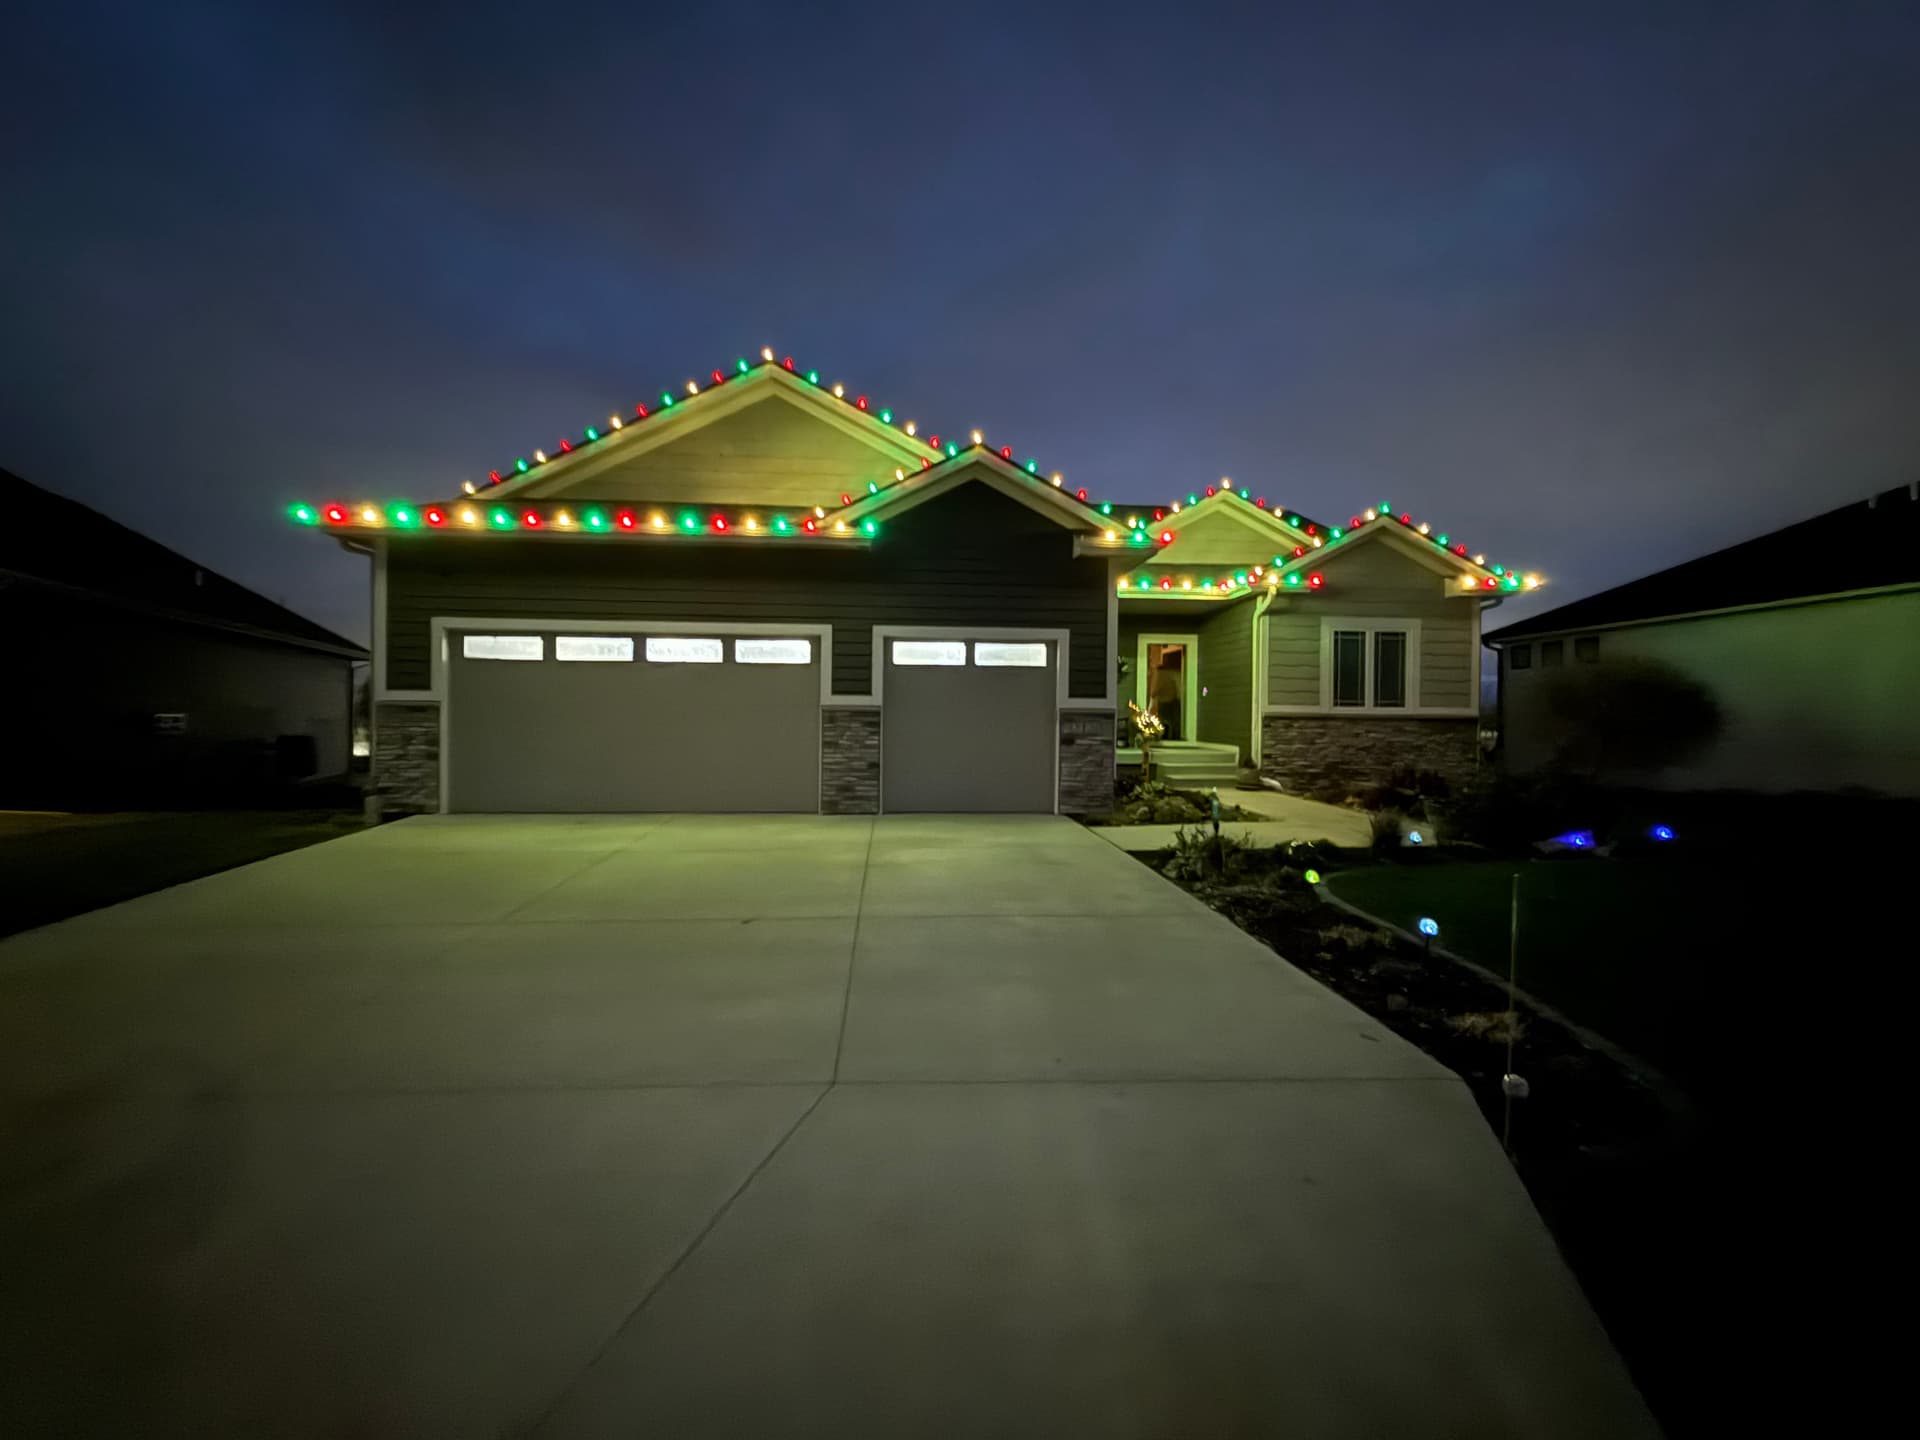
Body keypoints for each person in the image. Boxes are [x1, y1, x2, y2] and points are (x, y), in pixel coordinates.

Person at [1151, 651, 1183, 740]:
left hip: (1165, 701)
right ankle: (1174, 737)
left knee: (1165, 721)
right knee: (1174, 722)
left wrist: (1153, 695)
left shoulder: (1161, 674)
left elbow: (1154, 691)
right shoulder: (1175, 673)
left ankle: (1165, 737)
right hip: (1174, 700)